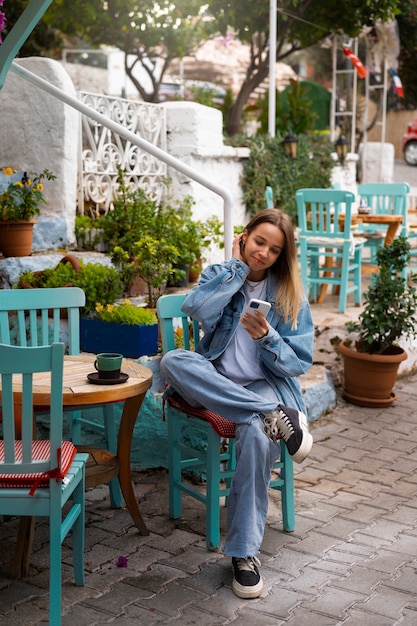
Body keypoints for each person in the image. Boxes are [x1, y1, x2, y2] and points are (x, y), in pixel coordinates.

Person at [160, 208, 314, 599]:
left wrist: (268, 339)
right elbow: (196, 309)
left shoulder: (288, 295)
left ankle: (244, 555)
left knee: (260, 438)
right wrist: (235, 270)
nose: (263, 253)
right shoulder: (221, 274)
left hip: (263, 385)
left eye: (274, 250)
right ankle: (272, 415)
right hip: (217, 381)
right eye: (259, 242)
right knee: (174, 360)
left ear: (282, 256)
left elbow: (300, 361)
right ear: (244, 237)